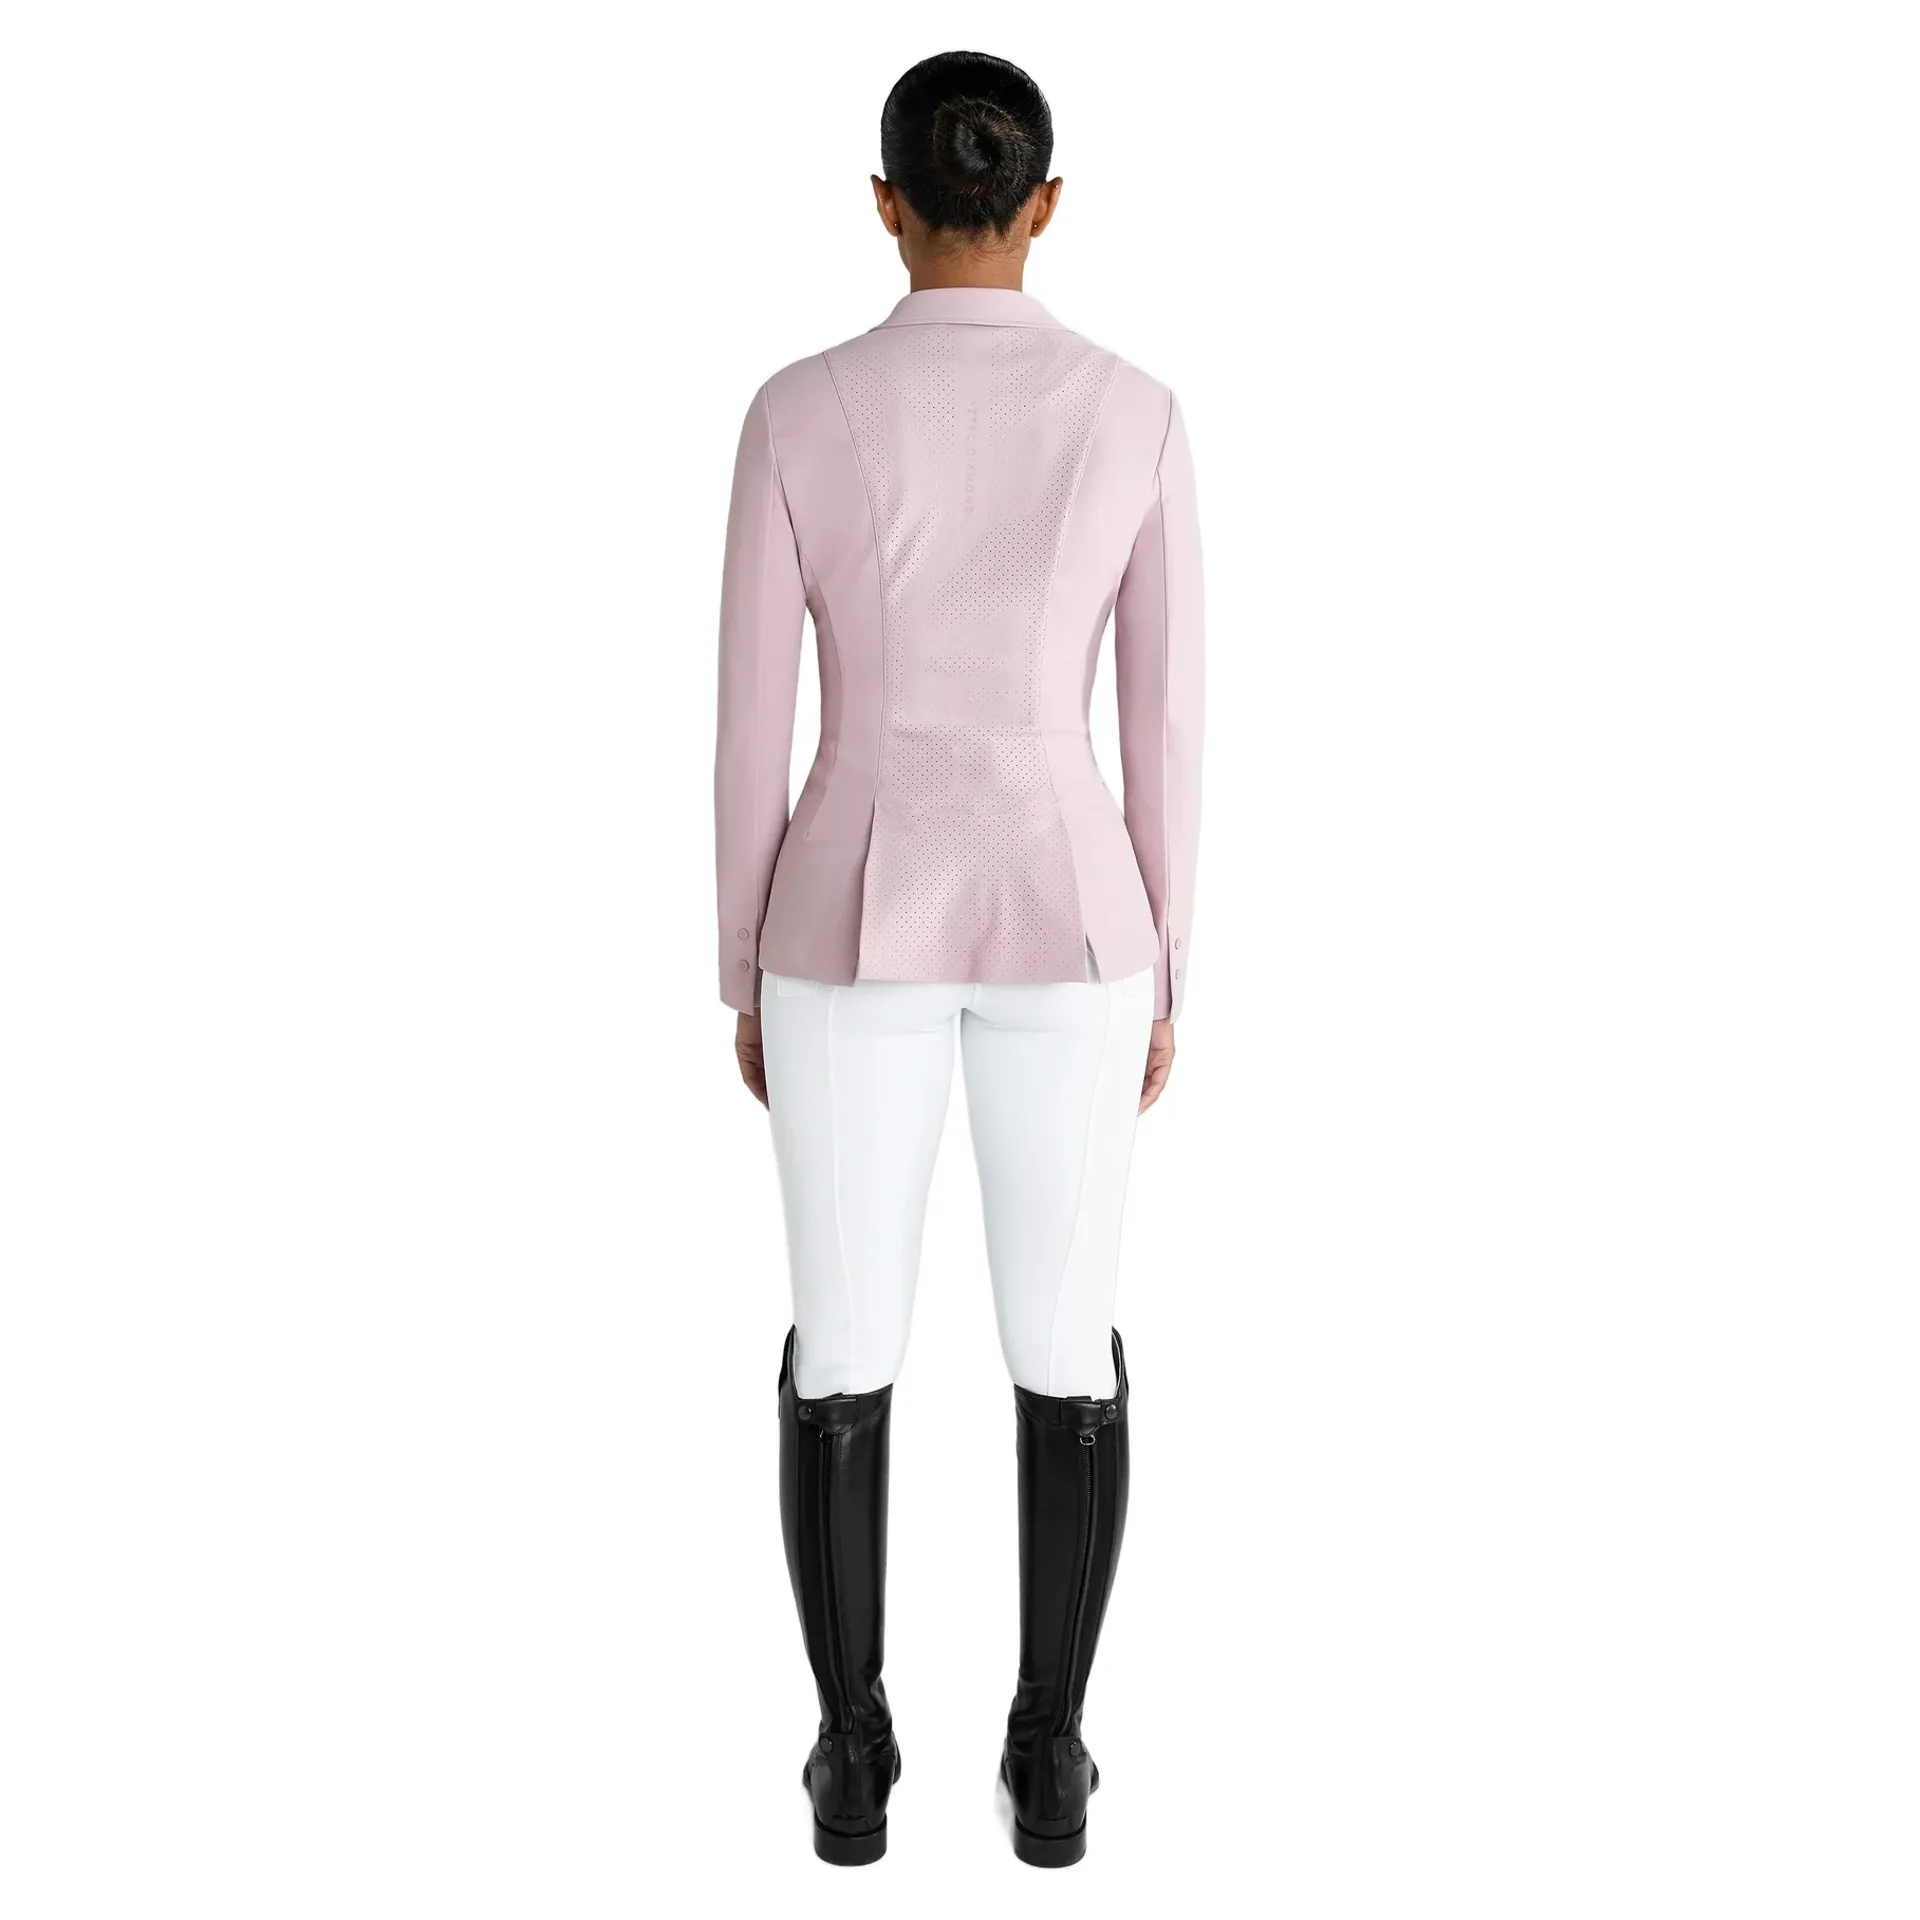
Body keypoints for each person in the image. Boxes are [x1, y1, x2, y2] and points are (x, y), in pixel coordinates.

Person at [713, 49, 1203, 1868]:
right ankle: (1051, 1755)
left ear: (885, 203)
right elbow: (1165, 721)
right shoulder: (1134, 411)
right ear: (1045, 205)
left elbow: (747, 720)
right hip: (1074, 914)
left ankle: (851, 1755)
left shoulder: (797, 410)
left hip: (846, 914)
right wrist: (1168, 958)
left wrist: (742, 960)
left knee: (842, 1344)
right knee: (1065, 1346)